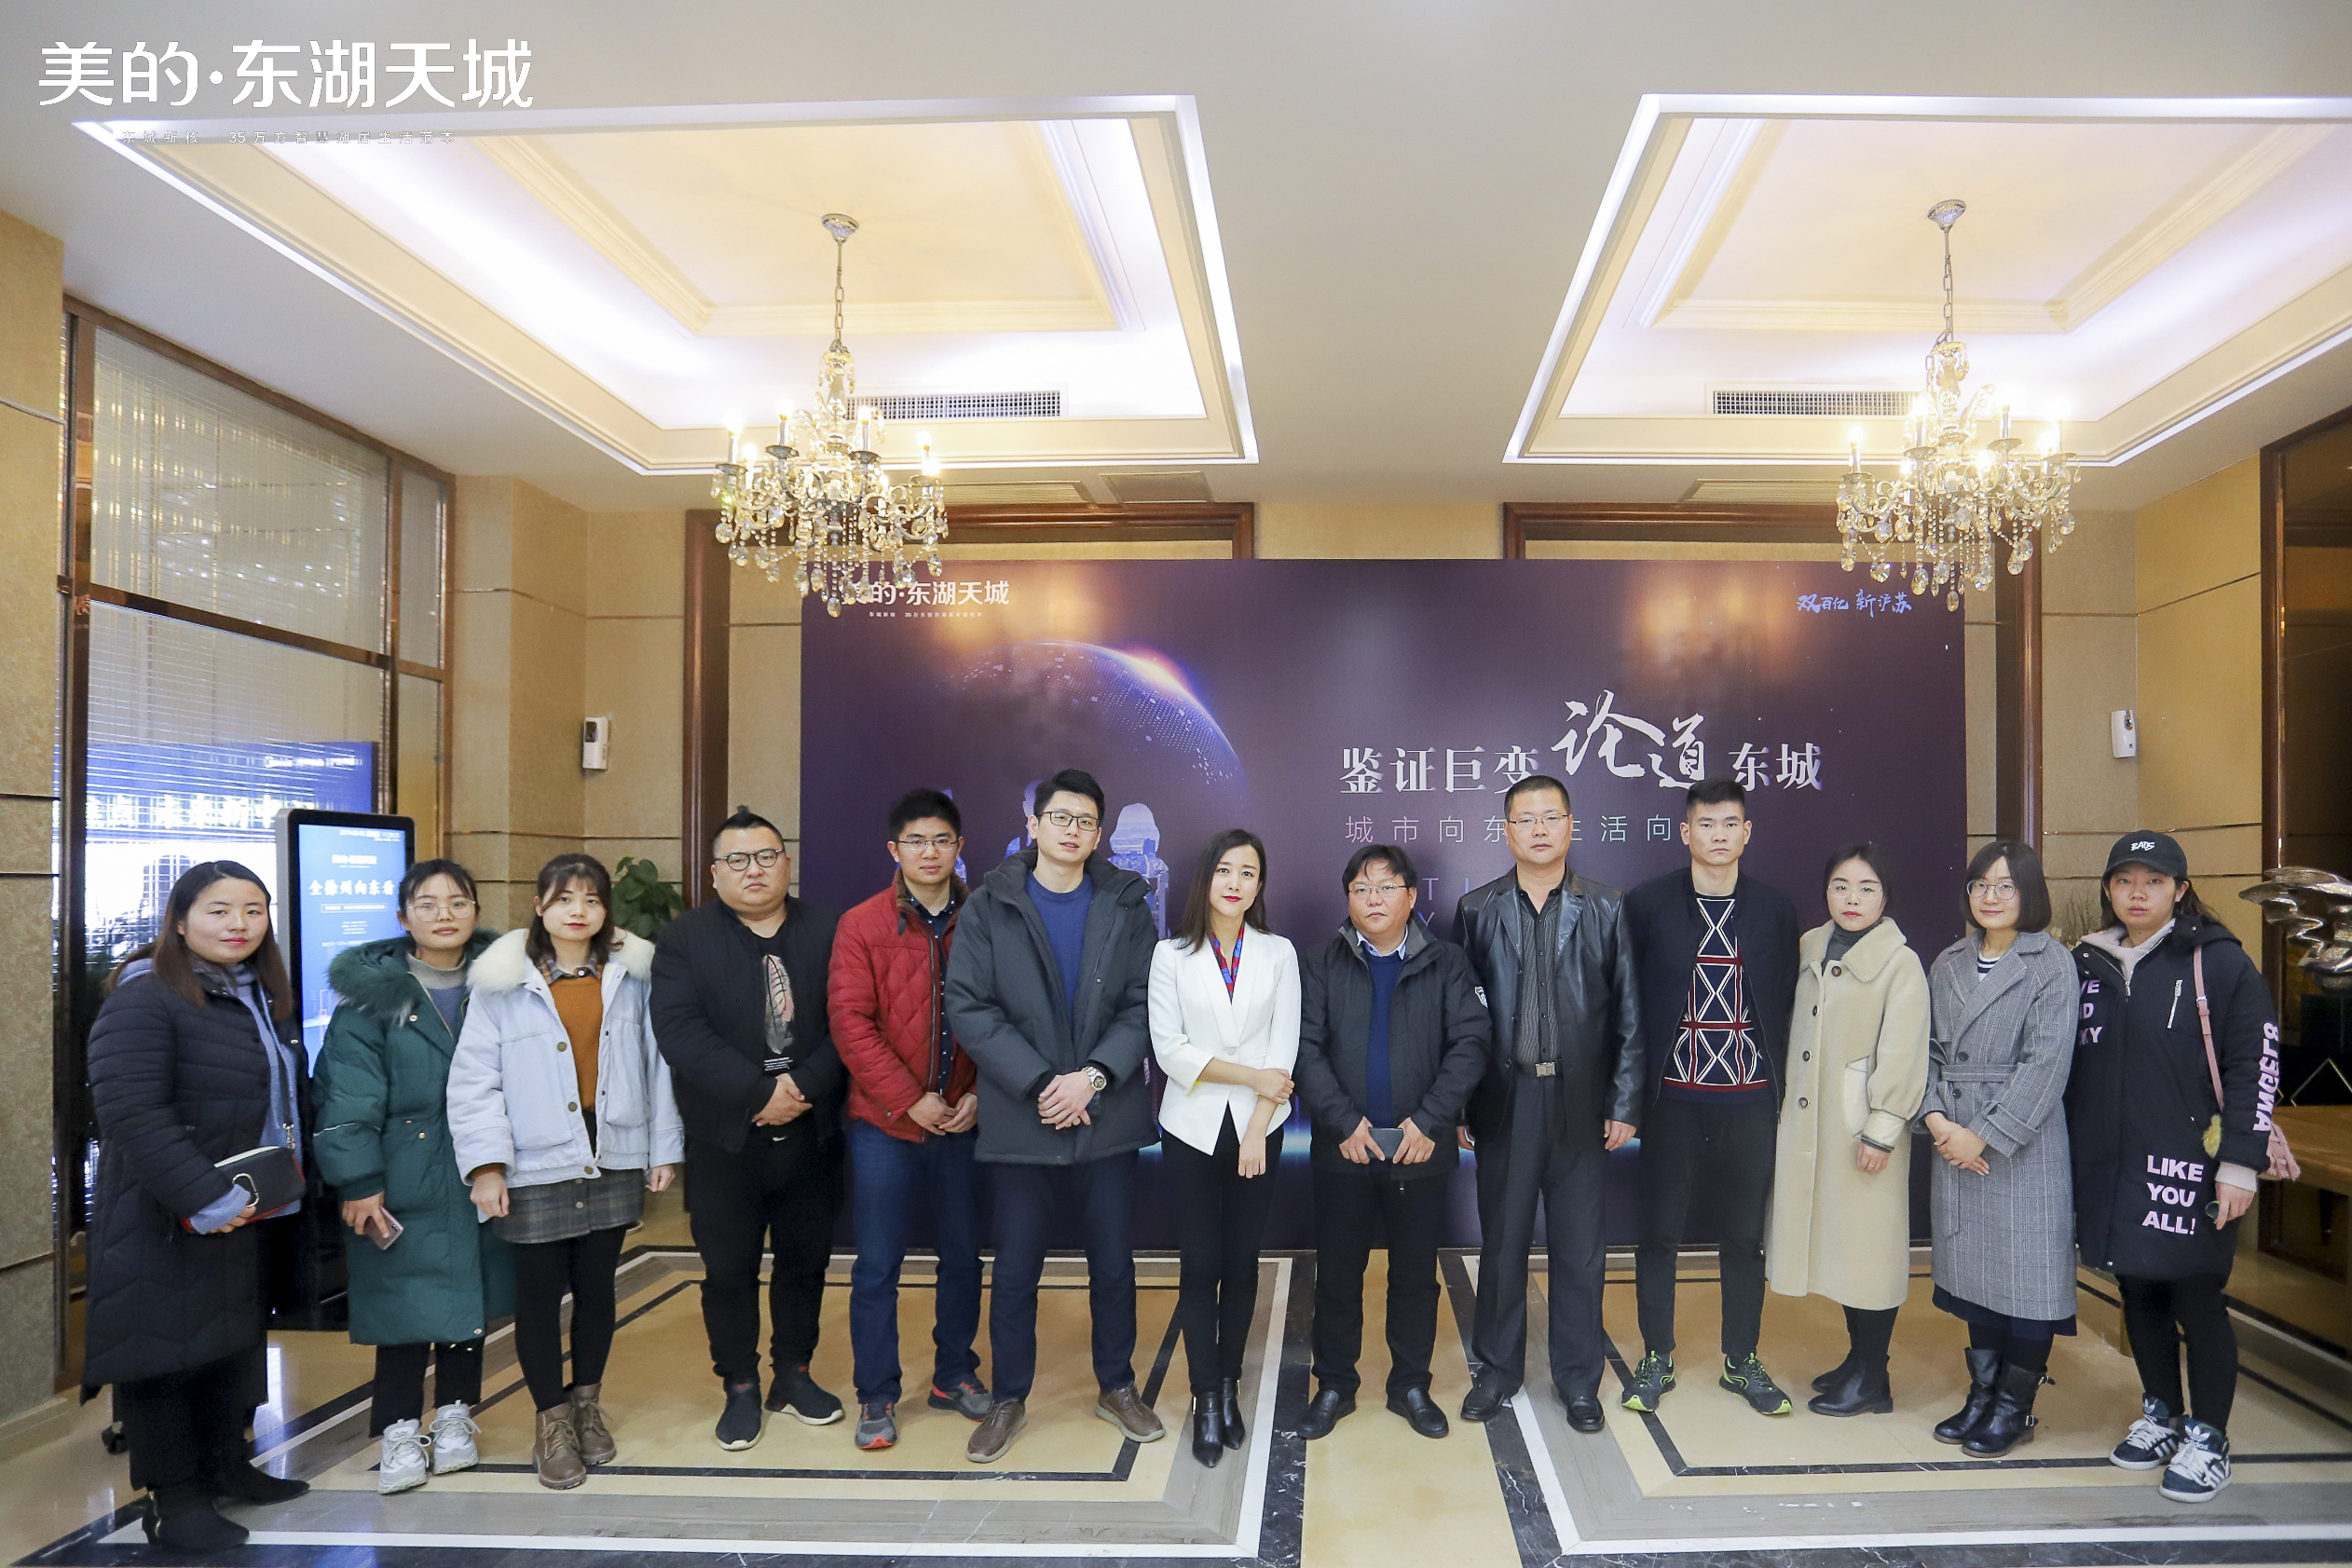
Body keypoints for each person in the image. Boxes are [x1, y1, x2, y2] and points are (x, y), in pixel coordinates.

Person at [84, 862, 313, 1551]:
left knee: (228, 1343)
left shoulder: (256, 993)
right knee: (165, 1353)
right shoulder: (145, 997)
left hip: (246, 1204)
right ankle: (174, 1499)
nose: (239, 924)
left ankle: (224, 1463)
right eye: (219, 910)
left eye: (253, 910)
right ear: (180, 921)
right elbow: (130, 1112)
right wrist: (205, 1196)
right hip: (167, 1210)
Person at [944, 767, 1164, 1465]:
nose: (1072, 830)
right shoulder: (990, 905)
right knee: (1014, 1270)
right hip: (1024, 1115)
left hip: (1107, 1113)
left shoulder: (1126, 902)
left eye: (1085, 821)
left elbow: (1144, 1002)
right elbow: (969, 1005)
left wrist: (1092, 1077)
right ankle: (1009, 1397)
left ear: (1099, 835)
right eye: (1060, 817)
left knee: (1114, 1265)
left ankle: (1117, 1385)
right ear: (1033, 825)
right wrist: (1044, 1083)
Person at [448, 853, 681, 1489]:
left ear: (606, 909)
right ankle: (550, 1422)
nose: (578, 910)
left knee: (598, 1289)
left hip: (611, 1150)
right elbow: (473, 1080)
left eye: (591, 899)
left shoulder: (632, 976)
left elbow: (658, 1063)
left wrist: (663, 1148)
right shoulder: (502, 983)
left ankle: (586, 1406)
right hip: (534, 1158)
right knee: (539, 1296)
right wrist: (487, 1166)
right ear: (539, 906)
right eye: (564, 898)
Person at [2070, 832, 2280, 1504]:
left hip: (2194, 1162)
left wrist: (2240, 1163)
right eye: (2125, 880)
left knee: (2196, 1294)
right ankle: (2162, 1412)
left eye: (2154, 881)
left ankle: (2209, 1436)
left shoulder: (2218, 961)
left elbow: (2256, 1064)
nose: (2138, 893)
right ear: (2108, 889)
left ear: (2181, 889)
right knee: (2139, 1289)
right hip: (2113, 1162)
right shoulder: (2088, 962)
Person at [313, 858, 513, 1495]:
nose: (444, 914)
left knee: (467, 1292)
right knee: (400, 1297)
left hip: (479, 1162)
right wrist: (357, 1179)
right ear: (404, 918)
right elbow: (346, 1095)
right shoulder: (372, 999)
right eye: (427, 904)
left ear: (476, 911)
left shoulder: (501, 983)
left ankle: (454, 1415)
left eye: (458, 902)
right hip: (399, 1171)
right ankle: (399, 1428)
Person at [652, 809, 848, 1450]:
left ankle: (793, 1373)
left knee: (805, 1264)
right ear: (715, 872)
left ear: (787, 863)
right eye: (737, 860)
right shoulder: (685, 938)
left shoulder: (829, 930)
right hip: (725, 1137)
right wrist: (760, 1093)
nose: (753, 870)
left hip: (813, 1132)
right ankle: (739, 1383)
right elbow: (680, 1032)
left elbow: (852, 1021)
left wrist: (803, 1088)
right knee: (728, 1271)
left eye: (766, 856)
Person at [1454, 775, 1642, 1435]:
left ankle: (1579, 1380)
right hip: (1505, 1102)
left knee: (1580, 1250)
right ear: (1506, 831)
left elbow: (1630, 1011)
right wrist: (1460, 1104)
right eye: (1525, 818)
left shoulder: (1608, 907)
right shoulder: (1477, 909)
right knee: (1502, 1245)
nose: (1538, 829)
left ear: (1570, 825)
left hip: (1581, 1103)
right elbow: (1462, 1020)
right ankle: (1496, 1372)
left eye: (1550, 816)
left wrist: (1624, 1100)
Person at [1292, 844, 1489, 1442]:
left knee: (1415, 1275)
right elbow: (1304, 1049)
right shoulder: (1321, 962)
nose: (1372, 898)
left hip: (1418, 1150)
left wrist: (1429, 1122)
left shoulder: (1447, 962)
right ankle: (1334, 1384)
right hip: (1343, 1150)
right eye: (1360, 888)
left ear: (1411, 896)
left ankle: (1410, 1385)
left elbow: (1470, 1044)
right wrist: (1342, 1124)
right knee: (1337, 1275)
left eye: (1385, 887)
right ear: (1348, 899)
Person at [1621, 779, 1802, 1417]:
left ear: (1747, 832)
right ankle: (1657, 1356)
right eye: (1707, 824)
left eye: (1730, 824)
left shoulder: (1775, 910)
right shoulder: (1647, 904)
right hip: (1670, 1100)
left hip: (1749, 1102)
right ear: (1685, 832)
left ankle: (1740, 1359)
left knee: (1743, 1238)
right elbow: (1627, 1004)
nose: (1719, 835)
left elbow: (1788, 1006)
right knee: (1658, 1234)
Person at [828, 788, 990, 1452]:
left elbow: (1006, 1014)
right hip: (884, 1125)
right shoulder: (862, 923)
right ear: (894, 850)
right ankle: (877, 1392)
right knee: (877, 1264)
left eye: (942, 840)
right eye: (917, 841)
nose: (931, 852)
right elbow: (851, 1024)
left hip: (963, 1119)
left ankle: (954, 1374)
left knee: (963, 1257)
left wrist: (981, 1093)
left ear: (959, 848)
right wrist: (908, 1098)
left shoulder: (984, 918)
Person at [1921, 840, 2079, 1458]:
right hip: (1952, 1134)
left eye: (2005, 885)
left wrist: (1980, 1134)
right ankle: (1981, 1396)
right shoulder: (1948, 961)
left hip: (2021, 1143)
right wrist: (1937, 1120)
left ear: (2029, 893)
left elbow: (2046, 1065)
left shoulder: (2052, 963)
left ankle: (2015, 1408)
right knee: (1976, 1276)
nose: (1991, 896)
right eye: (1980, 885)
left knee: (2028, 1280)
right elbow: (1926, 1050)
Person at [1148, 828, 1300, 1468]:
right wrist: (1251, 1078)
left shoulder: (1278, 952)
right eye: (1225, 871)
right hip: (1190, 1128)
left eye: (1249, 873)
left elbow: (1284, 1048)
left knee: (1241, 1264)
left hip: (1260, 1129)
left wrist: (1259, 1123)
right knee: (1200, 1265)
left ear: (1260, 885)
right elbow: (1171, 1051)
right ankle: (1204, 1395)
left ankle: (1229, 1385)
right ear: (1205, 878)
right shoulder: (1170, 954)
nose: (1236, 883)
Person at [1764, 843, 1930, 1417]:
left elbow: (1905, 1053)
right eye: (1841, 886)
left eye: (1866, 888)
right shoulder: (1811, 946)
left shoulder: (1900, 963)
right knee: (1839, 1250)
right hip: (1810, 1127)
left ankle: (1873, 1378)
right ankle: (1858, 1362)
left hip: (1862, 1131)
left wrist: (1882, 1129)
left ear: (1885, 897)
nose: (1851, 899)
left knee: (1869, 1255)